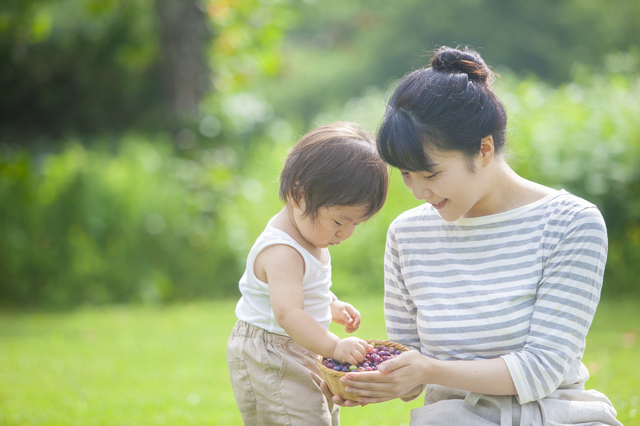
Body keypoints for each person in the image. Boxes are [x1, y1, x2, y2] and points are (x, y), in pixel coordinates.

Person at [322, 46, 623, 425]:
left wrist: (430, 371)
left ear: (484, 150)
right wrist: (373, 382)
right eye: (405, 174)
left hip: (556, 415)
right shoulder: (407, 234)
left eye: (430, 175)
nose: (418, 192)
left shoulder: (570, 223)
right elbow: (410, 364)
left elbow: (543, 368)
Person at [226, 121, 389, 425]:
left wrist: (329, 304)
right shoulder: (282, 251)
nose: (346, 233)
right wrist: (335, 346)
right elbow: (288, 312)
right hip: (272, 353)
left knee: (322, 415)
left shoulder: (311, 233)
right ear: (298, 195)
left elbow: (303, 291)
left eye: (356, 223)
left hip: (301, 344)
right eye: (340, 221)